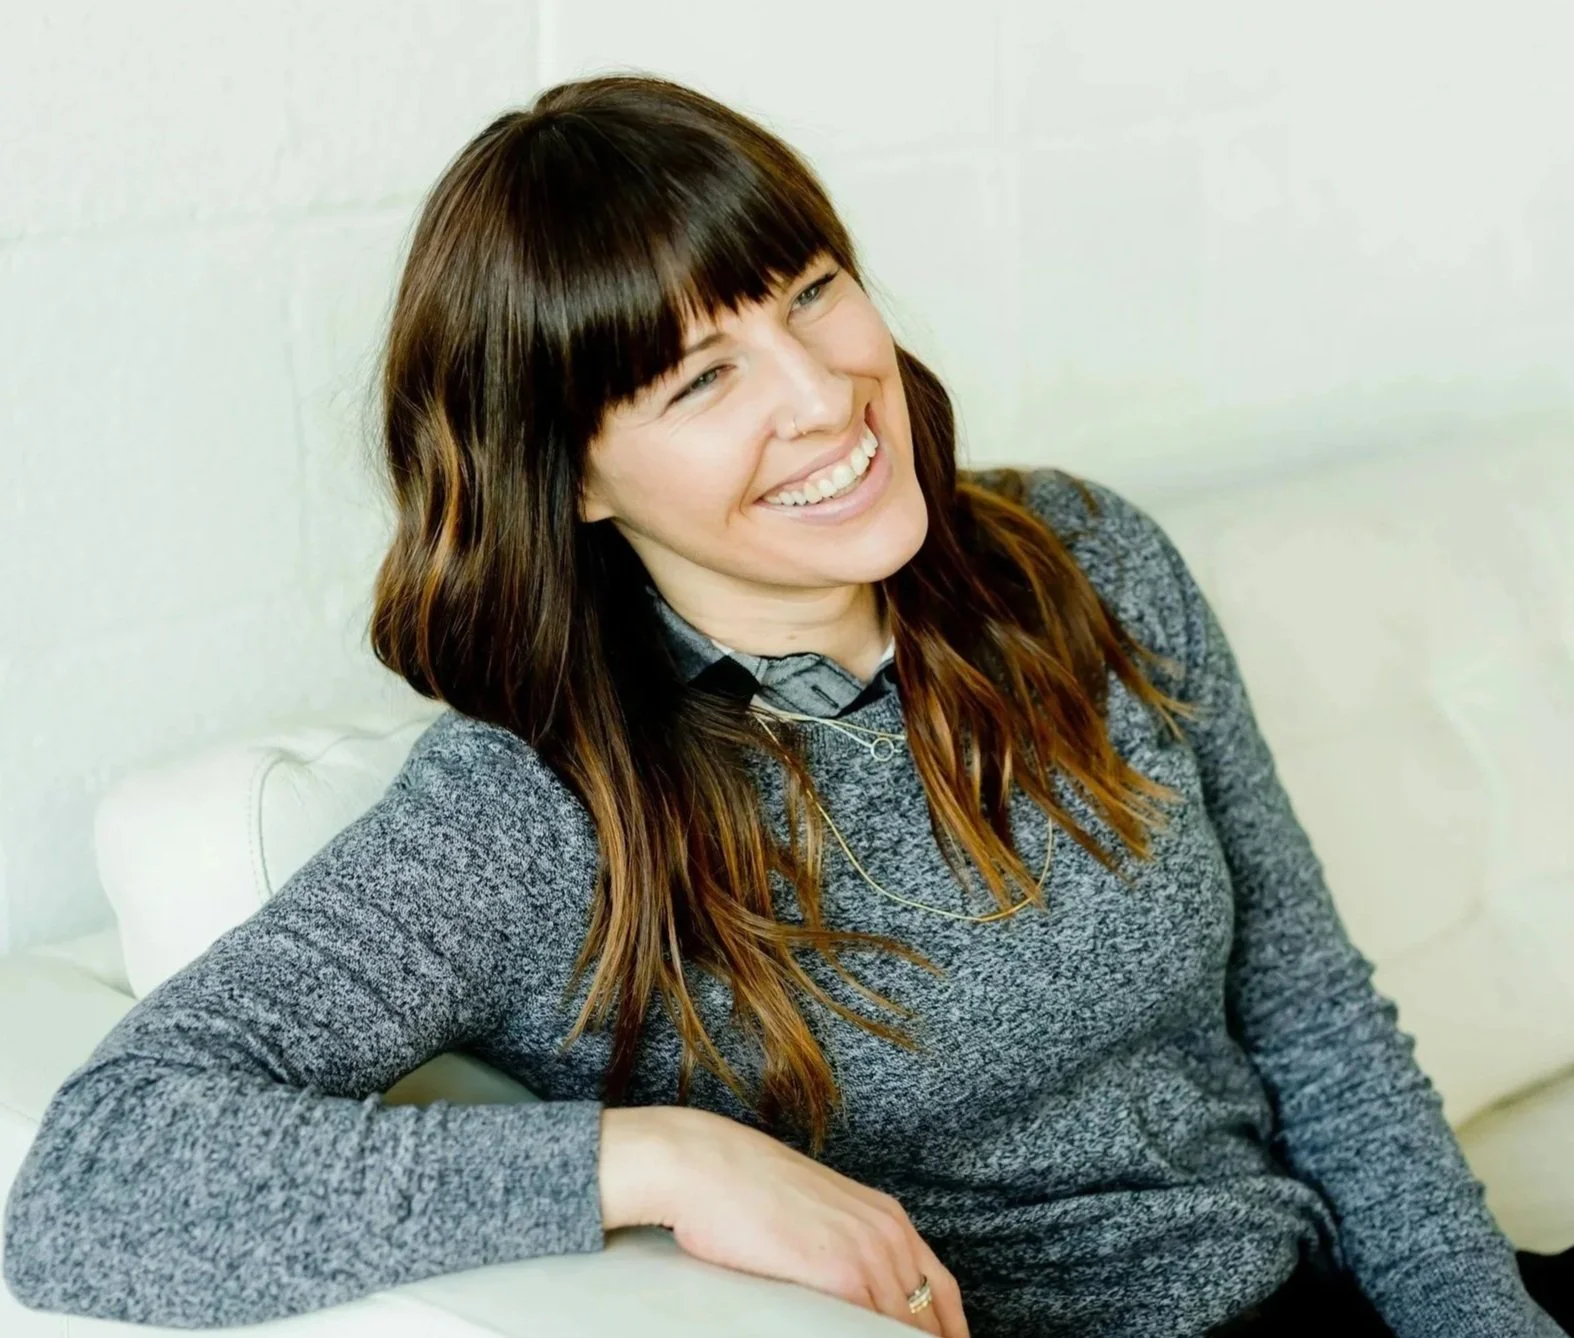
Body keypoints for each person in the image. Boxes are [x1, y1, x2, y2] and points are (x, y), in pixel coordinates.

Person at [3, 72, 1569, 1338]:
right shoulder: (537, 805)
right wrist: (655, 1157)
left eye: (811, 294)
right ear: (575, 480)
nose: (825, 395)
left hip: (1345, 1288)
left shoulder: (1078, 558)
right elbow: (91, 1185)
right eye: (699, 381)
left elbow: (1310, 1012)